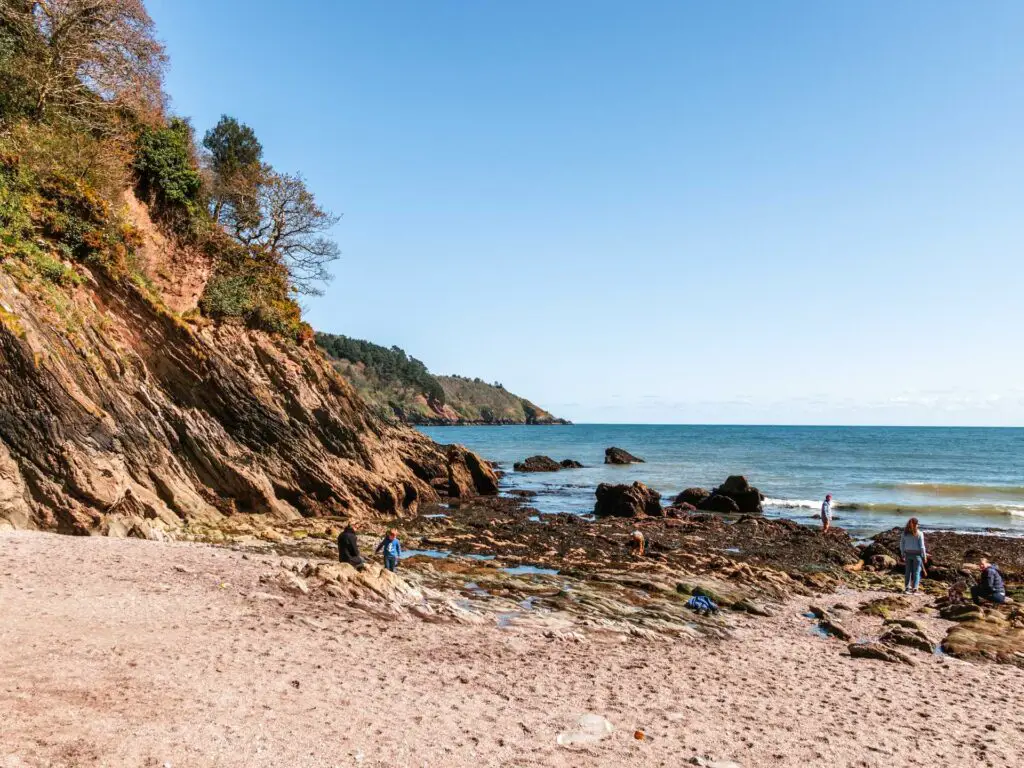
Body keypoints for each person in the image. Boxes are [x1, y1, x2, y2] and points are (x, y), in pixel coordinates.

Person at [899, 517, 927, 594]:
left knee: (908, 571)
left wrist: (902, 553)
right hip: (917, 555)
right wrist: (924, 556)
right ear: (916, 524)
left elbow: (902, 544)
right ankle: (915, 588)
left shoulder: (904, 533)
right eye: (918, 524)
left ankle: (907, 588)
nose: (918, 525)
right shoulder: (920, 533)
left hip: (907, 554)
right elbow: (922, 546)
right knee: (917, 572)